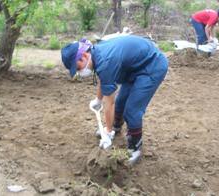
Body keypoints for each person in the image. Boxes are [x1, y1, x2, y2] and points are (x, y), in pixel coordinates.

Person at [61, 35, 168, 164]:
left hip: (152, 66)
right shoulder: (96, 53)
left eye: (78, 68)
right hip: (134, 68)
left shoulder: (105, 60)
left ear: (83, 56)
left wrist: (107, 131)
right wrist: (98, 100)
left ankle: (135, 147)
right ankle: (116, 128)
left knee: (132, 111)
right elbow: (103, 79)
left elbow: (109, 103)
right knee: (120, 104)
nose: (79, 72)